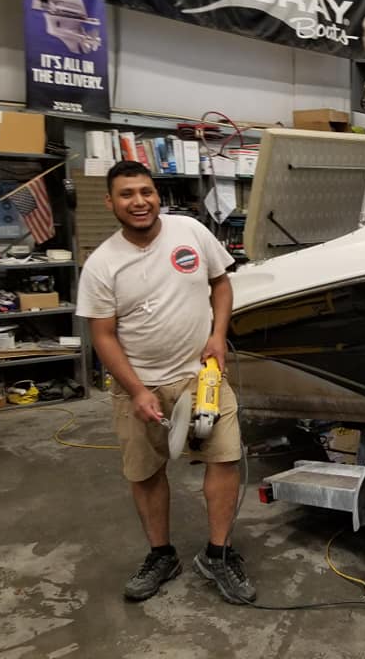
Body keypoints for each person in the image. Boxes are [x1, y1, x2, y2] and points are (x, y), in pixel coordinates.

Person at [76, 160, 255, 604]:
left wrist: (217, 335)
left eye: (146, 192)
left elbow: (221, 284)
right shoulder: (102, 265)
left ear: (158, 195)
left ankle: (218, 553)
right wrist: (136, 390)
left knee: (225, 458)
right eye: (127, 194)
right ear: (111, 202)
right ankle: (162, 555)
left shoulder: (191, 232)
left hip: (202, 376)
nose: (139, 201)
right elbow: (102, 334)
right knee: (146, 471)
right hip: (139, 384)